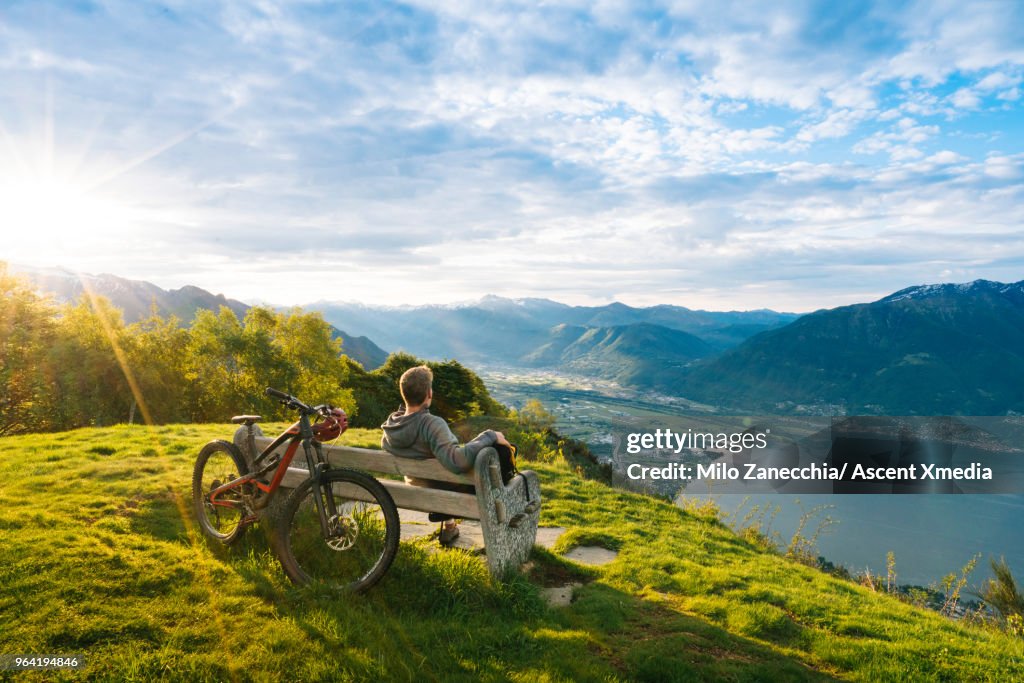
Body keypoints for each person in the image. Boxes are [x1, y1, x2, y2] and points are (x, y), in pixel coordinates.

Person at [381, 364, 510, 546]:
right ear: (429, 394)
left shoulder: (392, 425)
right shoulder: (431, 424)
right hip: (446, 494)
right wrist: (490, 436)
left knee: (440, 472)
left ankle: (450, 527)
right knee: (497, 459)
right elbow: (457, 462)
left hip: (417, 489)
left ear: (404, 394)